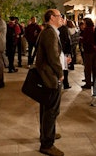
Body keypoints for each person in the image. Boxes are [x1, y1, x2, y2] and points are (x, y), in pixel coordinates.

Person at [34, 9, 66, 156]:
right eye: (60, 16)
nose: (62, 18)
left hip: (47, 74)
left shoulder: (49, 31)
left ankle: (47, 134)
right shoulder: (49, 33)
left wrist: (64, 60)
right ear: (52, 18)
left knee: (47, 109)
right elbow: (52, 57)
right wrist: (60, 73)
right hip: (50, 77)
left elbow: (54, 54)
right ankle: (47, 143)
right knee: (51, 110)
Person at [79, 18, 96, 89]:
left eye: (84, 23)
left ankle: (88, 83)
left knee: (87, 68)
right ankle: (95, 82)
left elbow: (85, 40)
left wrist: (81, 39)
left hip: (88, 51)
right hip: (95, 51)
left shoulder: (87, 30)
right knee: (94, 67)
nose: (83, 25)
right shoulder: (94, 29)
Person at [58, 15, 72, 89]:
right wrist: (69, 53)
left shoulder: (56, 28)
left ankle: (63, 83)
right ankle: (65, 84)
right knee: (64, 69)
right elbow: (68, 41)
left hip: (59, 51)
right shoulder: (64, 28)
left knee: (61, 68)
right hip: (63, 51)